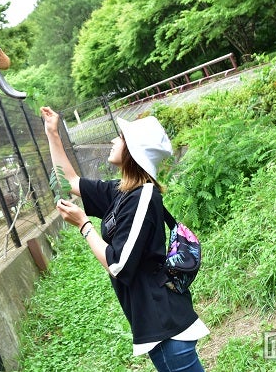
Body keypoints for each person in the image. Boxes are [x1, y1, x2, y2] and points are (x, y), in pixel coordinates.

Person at [40, 106, 209, 372]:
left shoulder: (143, 197)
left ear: (133, 150)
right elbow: (70, 181)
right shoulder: (122, 192)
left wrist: (84, 225)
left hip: (165, 327)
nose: (113, 140)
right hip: (160, 325)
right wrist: (53, 134)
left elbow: (118, 265)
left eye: (120, 137)